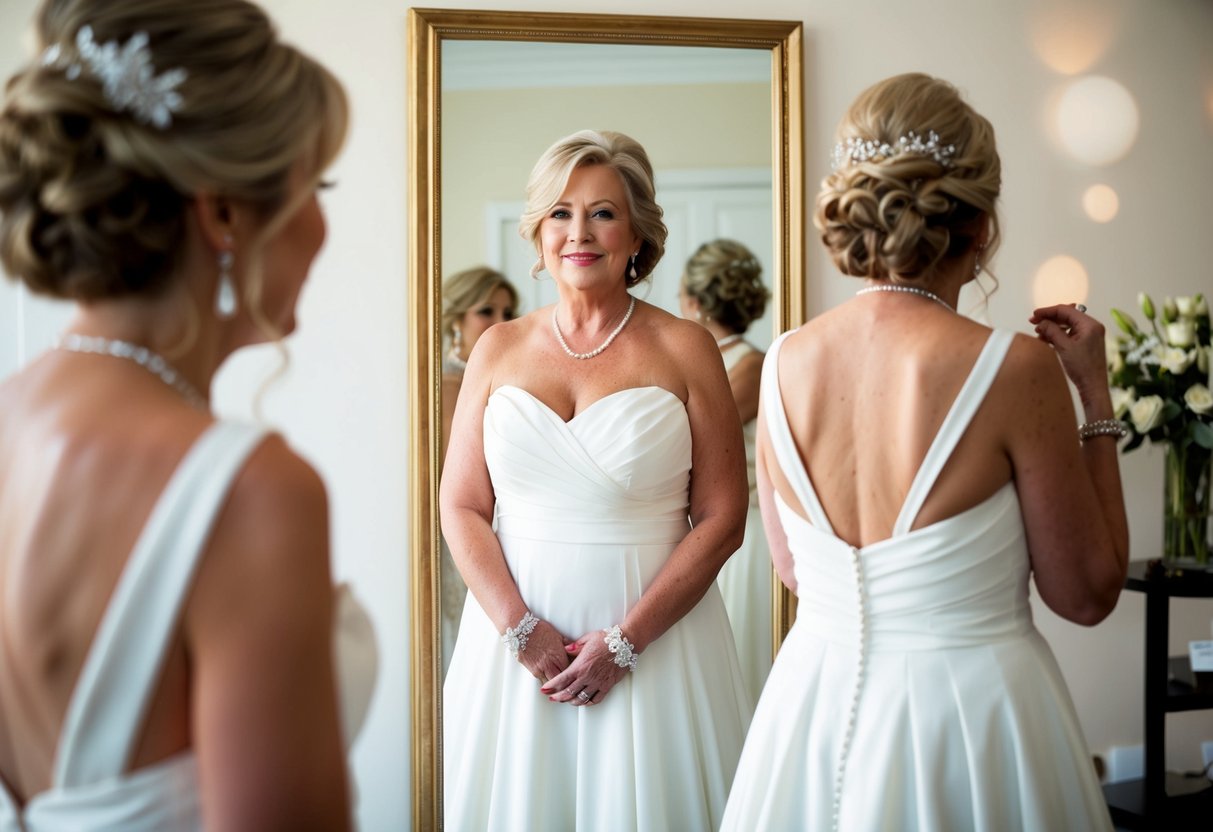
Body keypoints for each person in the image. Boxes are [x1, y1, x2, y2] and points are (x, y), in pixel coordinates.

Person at [722, 73, 1128, 831]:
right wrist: (1095, 402)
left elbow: (794, 570)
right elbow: (1086, 595)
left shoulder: (780, 361)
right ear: (977, 223)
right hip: (971, 723)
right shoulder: (1015, 368)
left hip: (811, 709)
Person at [0, 1, 358, 828]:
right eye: (317, 185)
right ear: (225, 214)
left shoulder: (12, 418)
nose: (322, 225)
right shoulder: (250, 490)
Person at [440, 129, 752, 830]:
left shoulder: (685, 347)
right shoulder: (498, 347)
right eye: (560, 212)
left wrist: (625, 642)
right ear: (538, 230)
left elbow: (724, 516)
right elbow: (460, 504)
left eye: (603, 212)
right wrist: (519, 629)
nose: (579, 232)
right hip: (515, 644)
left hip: (657, 641)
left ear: (637, 230)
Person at [678, 239, 772, 703]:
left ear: (694, 302)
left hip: (746, 530)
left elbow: (695, 443)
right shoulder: (697, 362)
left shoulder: (749, 365)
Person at [439, 266, 517, 673]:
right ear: (455, 320)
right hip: (461, 530)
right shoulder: (444, 386)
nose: (500, 324)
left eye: (508, 312)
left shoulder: (510, 380)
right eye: (486, 311)